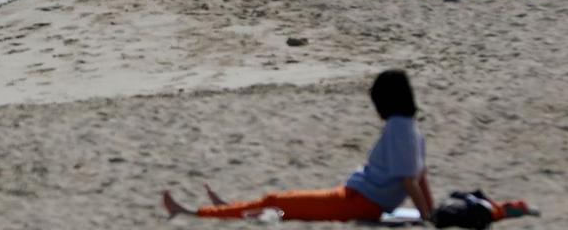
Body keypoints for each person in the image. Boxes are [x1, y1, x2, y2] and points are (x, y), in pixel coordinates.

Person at [164, 70, 437, 222]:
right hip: (359, 198)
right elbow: (420, 175)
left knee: (277, 203)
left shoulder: (398, 128)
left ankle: (195, 211)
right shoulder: (411, 126)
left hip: (359, 203)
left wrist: (427, 218)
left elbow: (409, 180)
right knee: (282, 202)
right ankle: (230, 208)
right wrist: (431, 213)